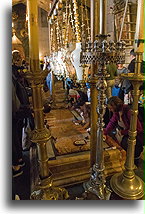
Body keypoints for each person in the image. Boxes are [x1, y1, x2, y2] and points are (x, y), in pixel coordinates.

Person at [104, 96, 143, 165]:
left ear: (115, 106)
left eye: (111, 108)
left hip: (135, 139)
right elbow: (112, 122)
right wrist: (105, 132)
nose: (110, 110)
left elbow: (137, 128)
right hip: (125, 135)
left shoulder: (128, 111)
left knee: (131, 157)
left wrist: (122, 132)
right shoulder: (117, 112)